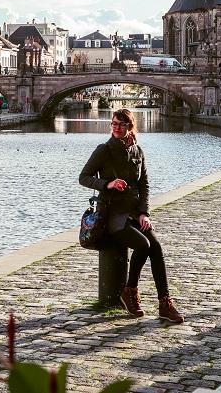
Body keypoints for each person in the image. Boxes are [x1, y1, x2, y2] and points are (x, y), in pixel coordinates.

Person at [78, 108, 184, 324]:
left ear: (130, 127)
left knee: (156, 247)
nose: (116, 128)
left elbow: (144, 185)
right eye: (114, 124)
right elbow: (84, 177)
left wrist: (144, 213)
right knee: (143, 245)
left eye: (121, 125)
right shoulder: (104, 150)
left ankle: (165, 303)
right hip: (112, 215)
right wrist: (107, 183)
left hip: (134, 213)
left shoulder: (137, 151)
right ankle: (130, 290)